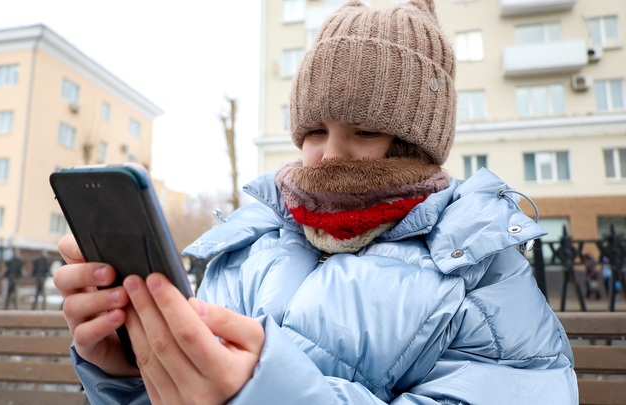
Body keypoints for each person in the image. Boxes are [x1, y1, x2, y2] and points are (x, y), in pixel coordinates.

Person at [54, 1, 578, 404]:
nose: (327, 155)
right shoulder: (250, 245)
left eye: (365, 129)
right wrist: (126, 371)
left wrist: (269, 392)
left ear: (416, 142)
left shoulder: (476, 265)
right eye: (313, 131)